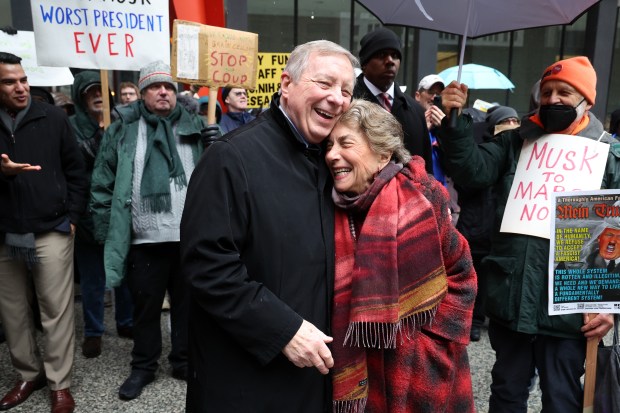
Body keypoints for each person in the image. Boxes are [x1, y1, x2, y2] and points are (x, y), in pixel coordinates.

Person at [180, 40, 358, 412]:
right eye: (325, 84)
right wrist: (283, 330)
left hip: (314, 375)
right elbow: (208, 266)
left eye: (346, 91)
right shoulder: (231, 157)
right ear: (286, 84)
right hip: (246, 378)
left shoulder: (333, 161)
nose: (337, 99)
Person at [439, 56, 617, 412]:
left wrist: (610, 308)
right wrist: (454, 120)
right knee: (506, 393)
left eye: (564, 92)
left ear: (586, 100)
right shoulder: (515, 142)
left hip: (570, 306)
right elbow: (472, 171)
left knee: (562, 398)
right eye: (547, 91)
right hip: (514, 297)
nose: (552, 99)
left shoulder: (608, 156)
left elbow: (616, 238)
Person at [326, 99, 476, 412]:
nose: (332, 155)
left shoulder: (422, 195)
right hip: (359, 362)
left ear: (382, 153)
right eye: (329, 145)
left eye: (345, 143)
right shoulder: (331, 206)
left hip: (418, 361)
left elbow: (462, 270)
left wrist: (429, 341)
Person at [90, 60, 206, 401]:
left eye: (169, 87)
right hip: (143, 240)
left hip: (188, 240)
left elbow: (218, 178)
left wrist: (217, 142)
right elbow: (102, 183)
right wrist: (105, 234)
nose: (163, 92)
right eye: (155, 87)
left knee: (188, 306)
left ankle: (183, 360)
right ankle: (143, 366)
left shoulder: (196, 126)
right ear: (141, 94)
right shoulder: (122, 130)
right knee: (145, 308)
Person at [0, 51, 88, 413]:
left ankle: (59, 384)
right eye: (9, 82)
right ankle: (27, 375)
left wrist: (71, 218)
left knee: (56, 309)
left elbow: (76, 171)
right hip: (4, 232)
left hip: (51, 227)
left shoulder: (52, 117)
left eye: (22, 79)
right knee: (13, 312)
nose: (20, 87)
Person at [69, 71, 134, 359]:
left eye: (100, 89)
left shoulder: (120, 125)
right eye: (89, 91)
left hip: (118, 213)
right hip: (87, 215)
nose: (96, 95)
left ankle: (126, 321)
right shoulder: (70, 128)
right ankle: (93, 332)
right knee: (94, 279)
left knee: (123, 273)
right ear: (79, 97)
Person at [455, 104, 519, 342]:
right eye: (506, 122)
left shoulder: (517, 153)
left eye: (515, 122)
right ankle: (465, 320)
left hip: (497, 230)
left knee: (486, 280)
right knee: (469, 277)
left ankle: (478, 321)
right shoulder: (481, 152)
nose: (511, 127)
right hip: (473, 227)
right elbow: (465, 182)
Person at [353, 27, 433, 174]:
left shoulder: (415, 110)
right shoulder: (347, 104)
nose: (390, 61)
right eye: (381, 55)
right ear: (364, 63)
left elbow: (426, 170)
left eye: (395, 55)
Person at [414, 74, 446, 184]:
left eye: (438, 94)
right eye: (430, 92)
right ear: (418, 96)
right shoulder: (409, 120)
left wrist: (445, 131)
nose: (434, 98)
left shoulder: (446, 124)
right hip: (418, 189)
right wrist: (422, 130)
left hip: (441, 190)